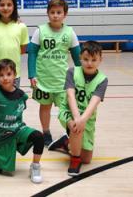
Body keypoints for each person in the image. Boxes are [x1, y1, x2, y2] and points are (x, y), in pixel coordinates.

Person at [27, 0, 81, 147]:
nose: (55, 15)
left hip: (62, 80)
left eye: (59, 12)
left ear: (65, 14)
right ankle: (46, 132)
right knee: (45, 106)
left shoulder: (70, 32)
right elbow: (32, 53)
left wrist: (82, 77)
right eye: (52, 12)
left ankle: (70, 132)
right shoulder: (40, 30)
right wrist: (32, 74)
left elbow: (78, 57)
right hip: (43, 79)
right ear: (47, 13)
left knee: (66, 108)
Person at [48, 41, 108, 177]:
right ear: (80, 57)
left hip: (87, 117)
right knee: (76, 126)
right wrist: (77, 118)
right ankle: (74, 160)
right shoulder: (72, 72)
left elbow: (94, 103)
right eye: (86, 59)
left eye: (94, 60)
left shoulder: (102, 80)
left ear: (100, 60)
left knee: (86, 159)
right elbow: (70, 96)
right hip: (68, 112)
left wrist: (83, 119)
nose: (89, 63)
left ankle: (65, 142)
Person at [0, 59, 44, 183]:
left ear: (15, 75)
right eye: (1, 75)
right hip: (1, 135)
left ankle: (35, 167)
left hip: (18, 130)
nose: (5, 78)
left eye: (8, 74)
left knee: (38, 137)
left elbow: (19, 113)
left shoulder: (21, 95)